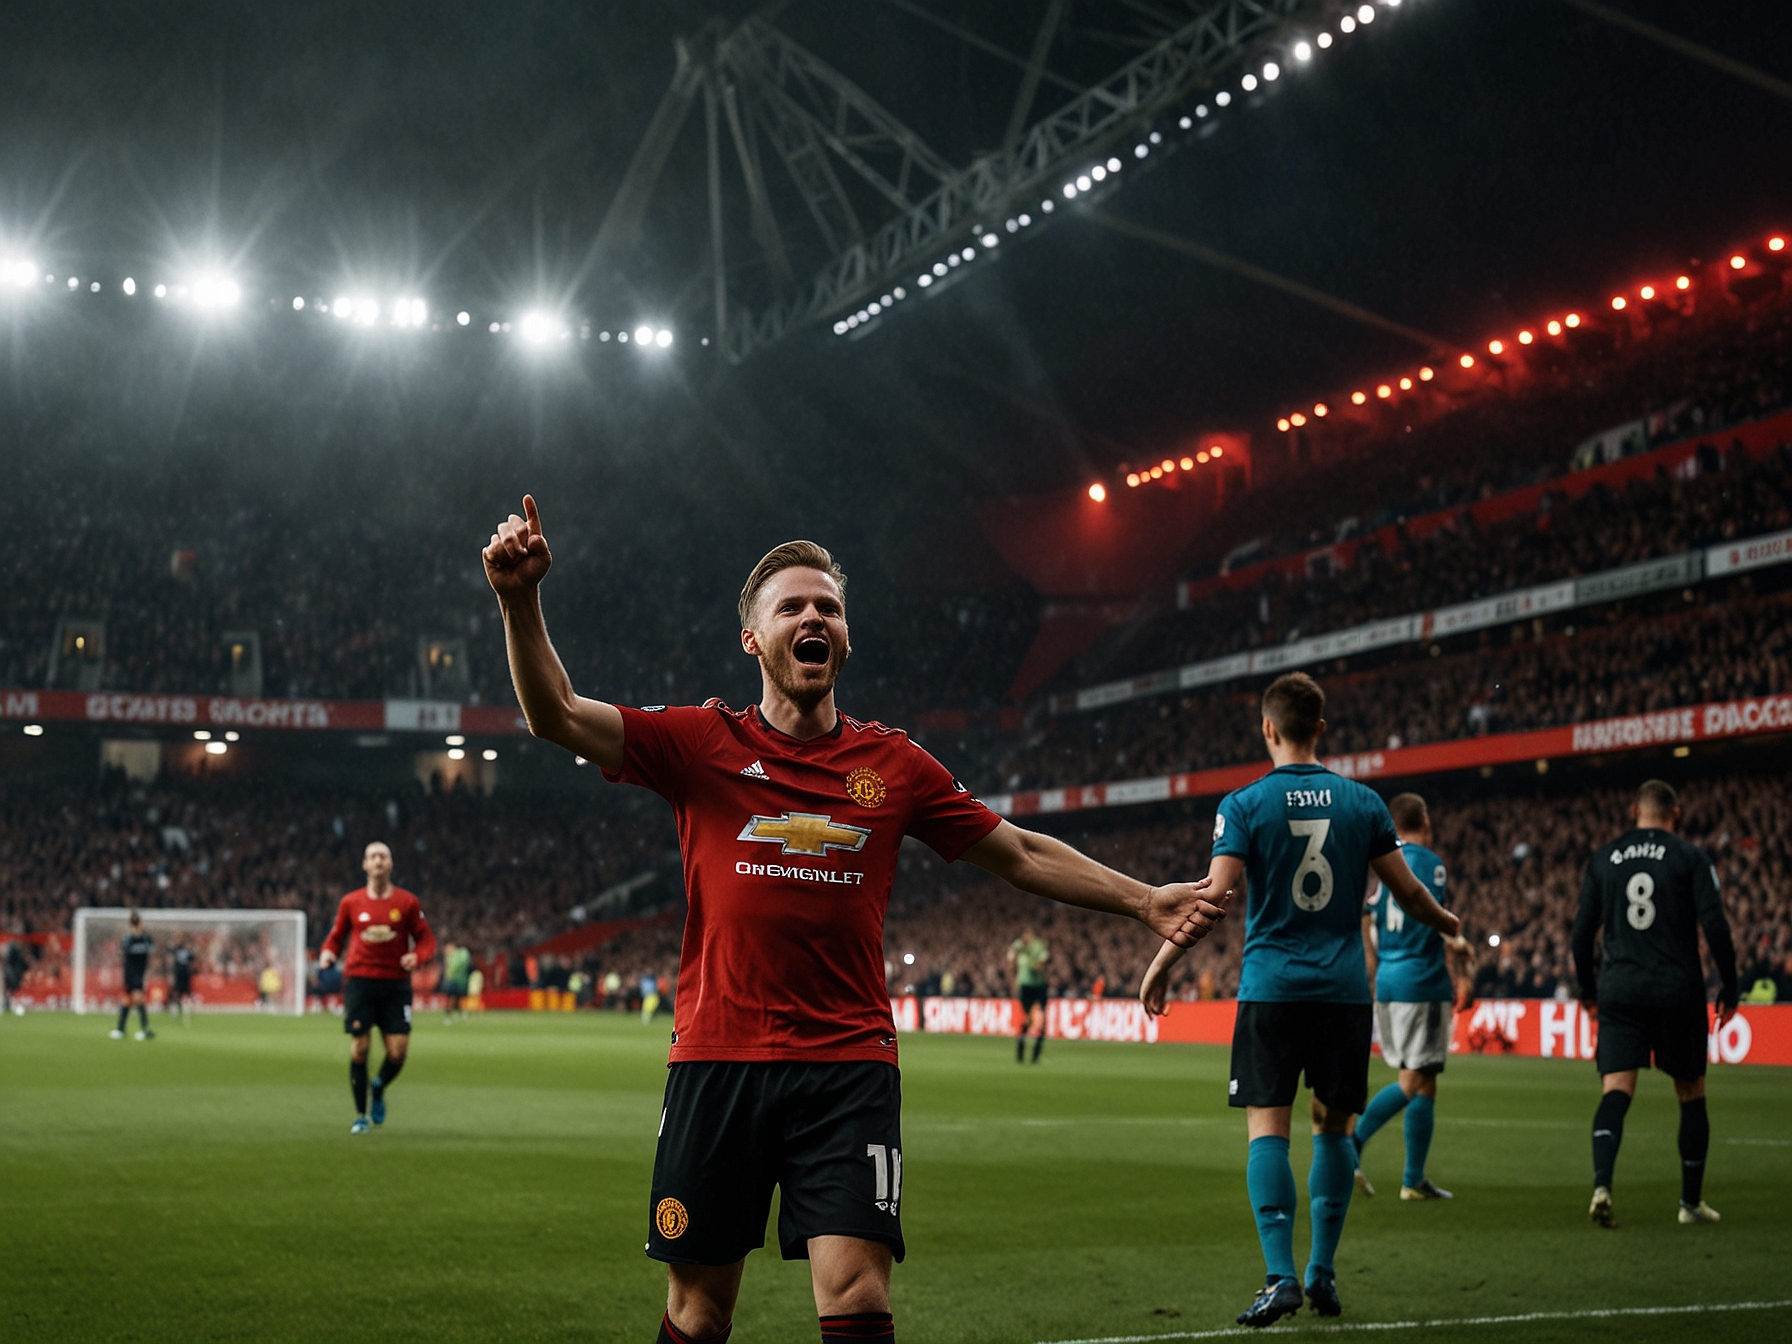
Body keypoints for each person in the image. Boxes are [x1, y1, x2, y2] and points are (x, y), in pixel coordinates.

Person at [482, 500, 1228, 1344]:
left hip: (847, 1067)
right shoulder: (700, 743)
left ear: (845, 638)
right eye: (792, 607)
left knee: (859, 1296)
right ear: (753, 641)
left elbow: (1016, 851)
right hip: (718, 1059)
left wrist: (1143, 899)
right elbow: (558, 716)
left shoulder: (894, 765)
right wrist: (519, 602)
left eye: (828, 608)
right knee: (698, 1309)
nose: (814, 618)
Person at [1140, 673, 1465, 1328]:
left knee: (1269, 1128)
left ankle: (1281, 1276)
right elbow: (1407, 896)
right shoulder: (1365, 804)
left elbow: (1215, 897)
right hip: (1344, 993)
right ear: (1321, 727)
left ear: (1267, 728)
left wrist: (1163, 962)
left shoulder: (1245, 804)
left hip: (1273, 990)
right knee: (1334, 1129)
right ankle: (1323, 1272)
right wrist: (1451, 926)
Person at [1572, 779, 1738, 1229]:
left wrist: (1588, 990)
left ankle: (1602, 1185)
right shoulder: (1690, 857)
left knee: (1615, 1092)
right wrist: (1731, 985)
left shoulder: (1604, 858)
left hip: (1620, 989)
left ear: (1634, 811)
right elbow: (1715, 926)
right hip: (1676, 989)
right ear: (1675, 814)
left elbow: (1580, 934)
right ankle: (1689, 1205)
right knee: (1690, 1092)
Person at [1353, 793, 1470, 1202]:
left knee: (1426, 1080)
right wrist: (1459, 955)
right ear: (1425, 820)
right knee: (1413, 1079)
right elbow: (1430, 912)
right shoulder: (1430, 864)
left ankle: (1414, 1179)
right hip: (1423, 981)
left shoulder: (1381, 859)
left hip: (1389, 982)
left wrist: (1372, 962)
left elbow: (1368, 911)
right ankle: (1351, 1144)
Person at [318, 841, 438, 1136]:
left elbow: (427, 941)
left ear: (391, 864)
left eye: (383, 856)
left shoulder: (408, 903)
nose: (378, 861)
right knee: (360, 1047)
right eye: (373, 856)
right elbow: (336, 936)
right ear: (365, 865)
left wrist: (417, 957)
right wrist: (328, 953)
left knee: (398, 1052)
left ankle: (379, 1085)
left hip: (396, 984)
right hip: (360, 981)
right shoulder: (351, 902)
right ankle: (361, 1115)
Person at [1006, 928, 1049, 1063]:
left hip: (1039, 986)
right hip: (1025, 987)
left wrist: (1031, 960)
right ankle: (1021, 1050)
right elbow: (1011, 963)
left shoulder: (1038, 947)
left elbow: (1041, 968)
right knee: (1027, 1019)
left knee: (1041, 1019)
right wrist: (1013, 982)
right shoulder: (1017, 947)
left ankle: (1036, 1053)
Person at [111, 911, 155, 1041]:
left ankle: (145, 1030)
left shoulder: (146, 940)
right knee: (127, 1001)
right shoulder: (127, 940)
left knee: (138, 1000)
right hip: (129, 974)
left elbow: (150, 952)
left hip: (138, 974)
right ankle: (121, 1029)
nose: (137, 926)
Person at [442, 941, 472, 1023]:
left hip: (455, 980)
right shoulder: (462, 954)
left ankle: (453, 1014)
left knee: (455, 998)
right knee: (455, 998)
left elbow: (450, 969)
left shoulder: (456, 955)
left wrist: (447, 978)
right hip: (458, 980)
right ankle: (454, 1014)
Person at [168, 942, 195, 1023]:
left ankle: (181, 1008)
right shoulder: (181, 952)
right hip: (181, 975)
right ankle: (178, 1007)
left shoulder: (180, 952)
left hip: (183, 975)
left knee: (181, 993)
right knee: (179, 993)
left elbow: (192, 958)